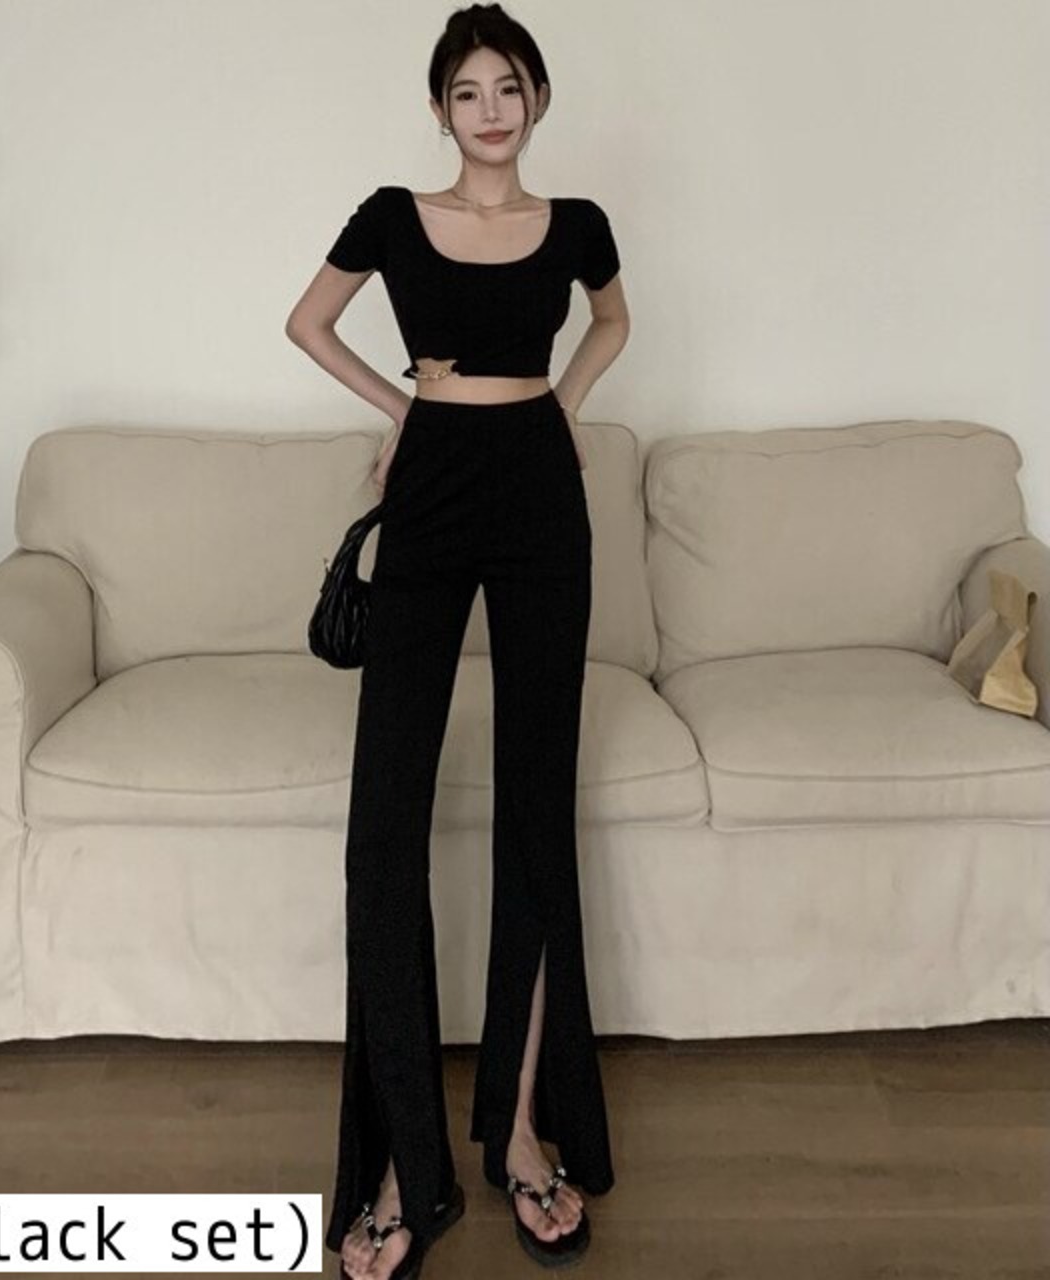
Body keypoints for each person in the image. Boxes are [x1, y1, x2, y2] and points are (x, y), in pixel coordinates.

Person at [285, 6, 629, 1277]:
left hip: (539, 495)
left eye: (509, 87)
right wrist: (405, 411)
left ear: (535, 100)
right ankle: (397, 1164)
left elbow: (611, 322)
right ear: (439, 108)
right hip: (430, 488)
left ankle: (520, 1131)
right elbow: (306, 323)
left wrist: (562, 405)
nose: (490, 109)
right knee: (386, 819)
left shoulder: (577, 223)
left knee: (536, 807)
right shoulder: (390, 215)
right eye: (468, 91)